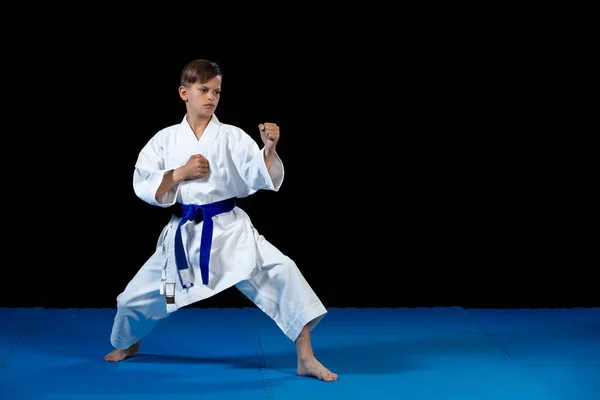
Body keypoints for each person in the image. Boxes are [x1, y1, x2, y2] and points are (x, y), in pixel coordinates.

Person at [103, 59, 338, 382]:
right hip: (183, 237)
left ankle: (306, 357)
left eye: (216, 91)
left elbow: (257, 174)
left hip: (230, 231)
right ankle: (128, 343)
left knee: (284, 272)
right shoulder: (164, 140)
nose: (211, 97)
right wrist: (179, 173)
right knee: (132, 299)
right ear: (184, 93)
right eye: (203, 90)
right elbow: (143, 182)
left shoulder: (232, 136)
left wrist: (268, 149)